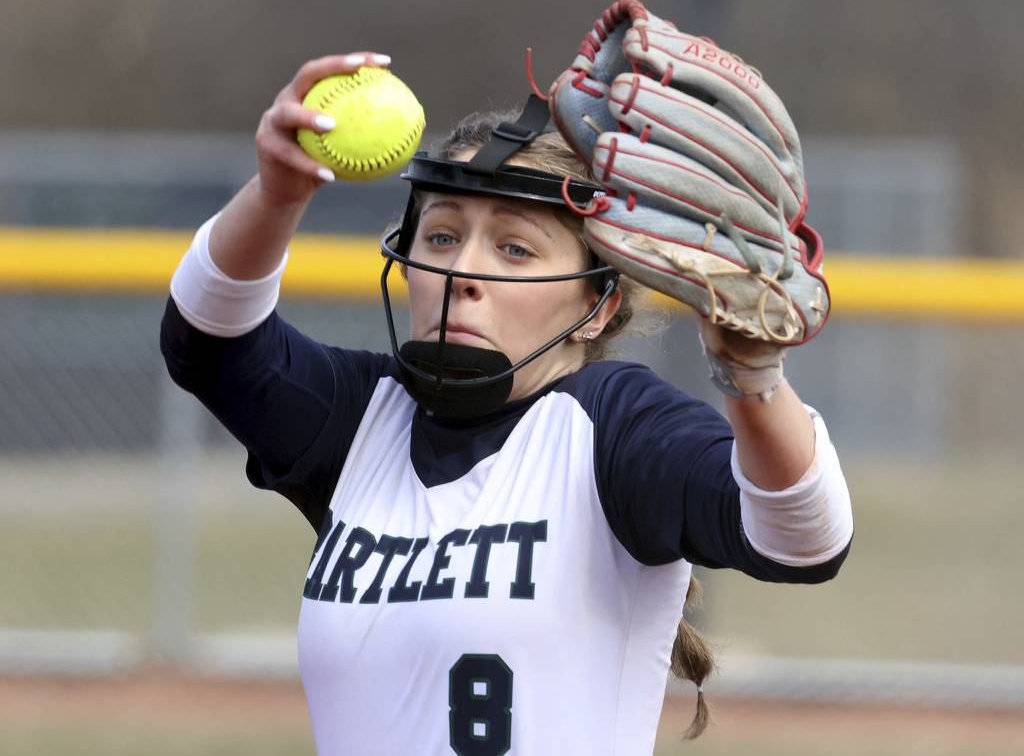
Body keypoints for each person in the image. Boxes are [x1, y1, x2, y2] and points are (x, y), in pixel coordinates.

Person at [161, 47, 853, 756]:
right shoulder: (365, 418)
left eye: (514, 249)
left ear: (596, 305)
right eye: (442, 235)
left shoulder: (609, 424)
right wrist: (278, 194)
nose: (462, 270)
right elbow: (207, 341)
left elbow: (806, 536)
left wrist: (753, 377)